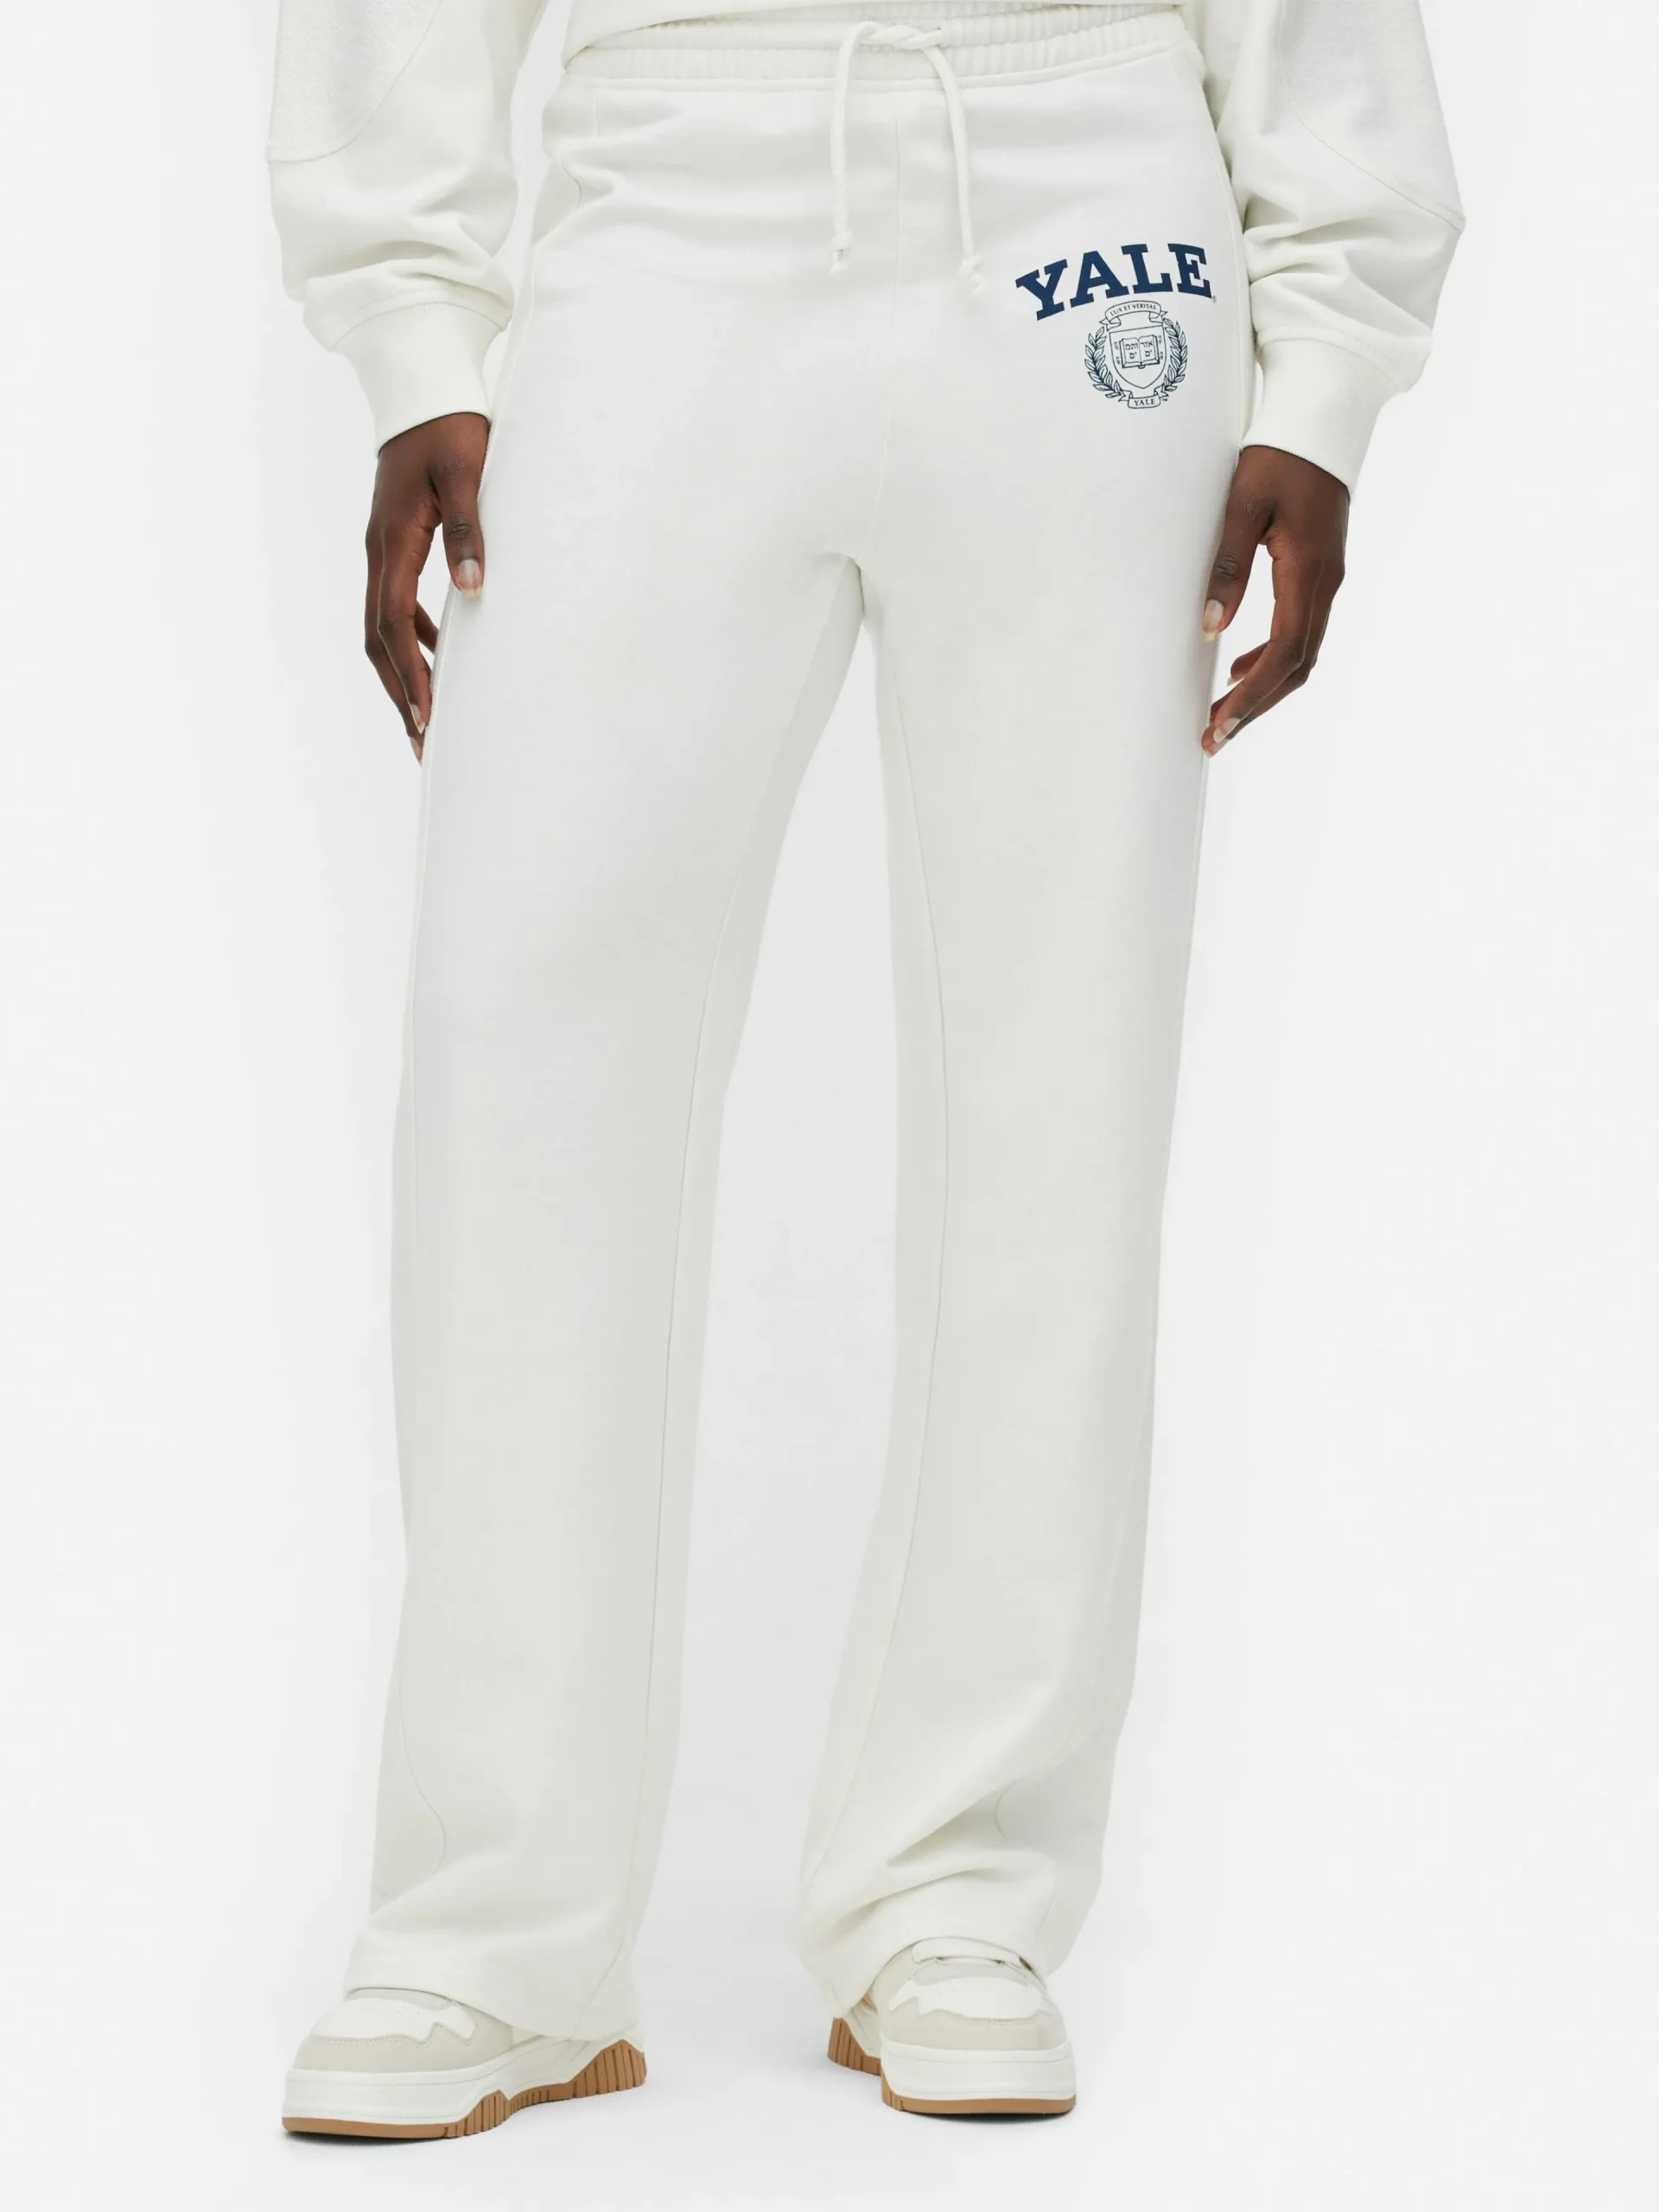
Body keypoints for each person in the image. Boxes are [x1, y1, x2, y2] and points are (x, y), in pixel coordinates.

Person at [268, 0, 1459, 2138]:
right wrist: (416, 333)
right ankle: (492, 1922)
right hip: (659, 198)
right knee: (522, 1067)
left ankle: (956, 1889)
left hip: (1090, 205)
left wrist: (1325, 372)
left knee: (1058, 1063)